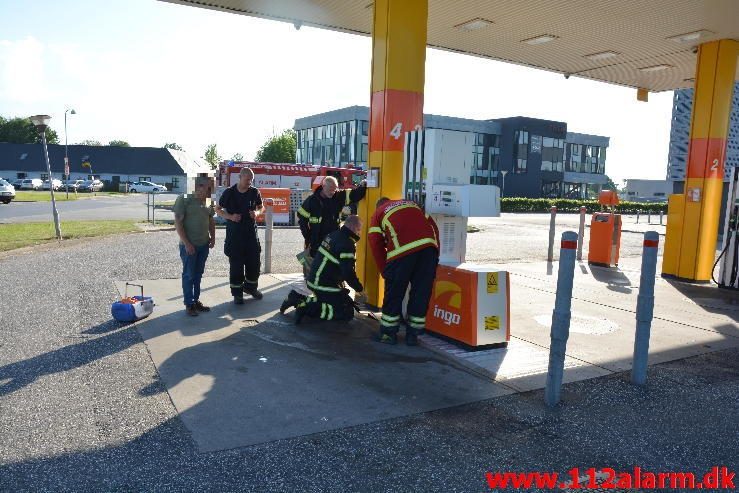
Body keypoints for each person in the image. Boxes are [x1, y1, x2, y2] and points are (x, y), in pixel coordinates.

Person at [368, 197, 440, 346]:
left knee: (394, 294)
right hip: (428, 249)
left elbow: (376, 244)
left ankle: (388, 335)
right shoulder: (410, 204)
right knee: (421, 293)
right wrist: (435, 253)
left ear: (378, 206)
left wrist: (385, 271)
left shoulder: (378, 213)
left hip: (401, 253)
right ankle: (413, 336)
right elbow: (433, 226)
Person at [280, 215, 367, 324]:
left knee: (340, 301)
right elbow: (348, 273)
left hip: (316, 279)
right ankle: (306, 308)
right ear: (355, 228)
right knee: (345, 311)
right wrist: (359, 289)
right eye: (360, 230)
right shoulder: (347, 244)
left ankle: (296, 298)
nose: (360, 233)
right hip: (321, 283)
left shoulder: (334, 235)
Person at [296, 175, 367, 277]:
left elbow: (355, 195)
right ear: (323, 186)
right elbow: (302, 220)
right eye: (330, 190)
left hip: (333, 240)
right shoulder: (312, 201)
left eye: (334, 190)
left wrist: (364, 186)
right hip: (317, 241)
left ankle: (334, 282)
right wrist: (308, 237)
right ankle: (315, 285)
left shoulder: (338, 196)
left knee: (333, 265)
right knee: (316, 268)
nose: (332, 193)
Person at [216, 167, 265, 304]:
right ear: (240, 177)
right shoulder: (229, 193)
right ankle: (237, 293)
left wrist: (257, 213)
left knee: (254, 263)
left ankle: (250, 288)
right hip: (235, 234)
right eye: (247, 180)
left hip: (250, 233)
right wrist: (230, 217)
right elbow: (217, 209)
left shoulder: (254, 192)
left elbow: (261, 207)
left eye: (251, 180)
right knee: (236, 265)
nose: (249, 182)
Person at [173, 175, 216, 317]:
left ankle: (195, 300)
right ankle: (189, 303)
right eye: (209, 188)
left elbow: (211, 220)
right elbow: (178, 223)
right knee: (189, 275)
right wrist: (187, 243)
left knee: (198, 275)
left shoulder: (208, 201)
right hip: (189, 246)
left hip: (203, 245)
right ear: (199, 186)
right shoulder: (184, 199)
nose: (211, 191)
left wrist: (213, 238)